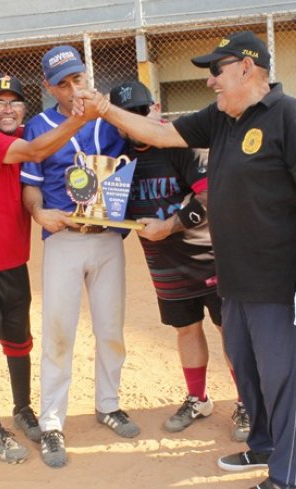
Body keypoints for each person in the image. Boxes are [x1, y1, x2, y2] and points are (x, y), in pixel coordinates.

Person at [80, 31, 296, 489]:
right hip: (233, 277)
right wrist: (103, 108)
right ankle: (262, 444)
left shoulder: (287, 114)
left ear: (247, 68)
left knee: (285, 378)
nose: (211, 80)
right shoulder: (219, 119)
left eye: (217, 70)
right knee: (247, 366)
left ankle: (289, 475)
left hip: (280, 277)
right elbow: (155, 132)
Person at [0, 74, 98, 464]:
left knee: (19, 343)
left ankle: (21, 408)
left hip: (13, 262)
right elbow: (36, 150)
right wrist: (79, 119)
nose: (7, 108)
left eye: (14, 102)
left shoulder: (17, 136)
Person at [108, 80, 250, 441]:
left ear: (154, 109)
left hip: (208, 257)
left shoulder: (179, 145)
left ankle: (247, 401)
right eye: (127, 116)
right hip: (164, 264)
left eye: (141, 112)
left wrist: (168, 227)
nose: (135, 121)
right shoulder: (119, 156)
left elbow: (208, 200)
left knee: (228, 330)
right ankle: (197, 398)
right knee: (186, 329)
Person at [20, 45, 137, 469]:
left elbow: (139, 145)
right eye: (63, 83)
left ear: (88, 77)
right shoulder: (40, 125)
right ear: (49, 87)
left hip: (107, 237)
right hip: (65, 238)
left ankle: (108, 403)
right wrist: (37, 211)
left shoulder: (109, 117)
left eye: (78, 79)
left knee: (110, 328)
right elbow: (30, 183)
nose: (73, 90)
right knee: (59, 332)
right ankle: (52, 422)